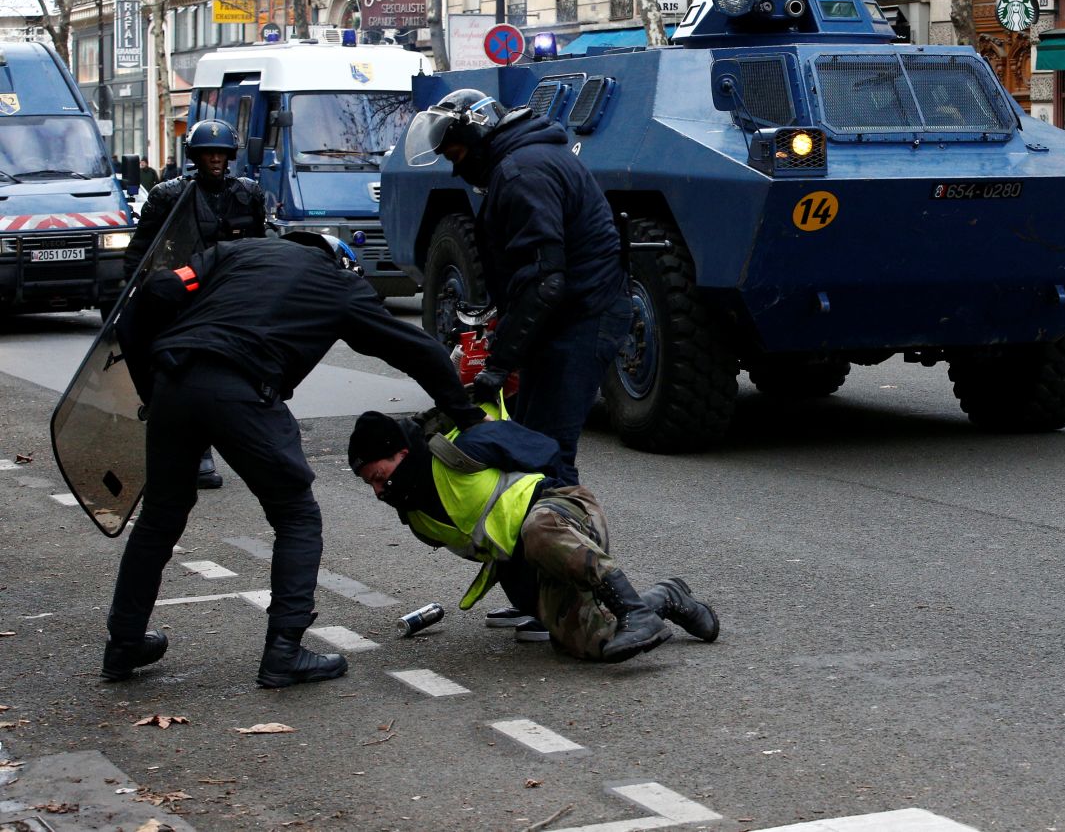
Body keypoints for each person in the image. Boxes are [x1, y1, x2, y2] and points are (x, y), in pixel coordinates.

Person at [101, 234, 487, 688]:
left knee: (160, 518)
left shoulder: (235, 253)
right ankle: (284, 651)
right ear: (338, 260)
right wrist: (466, 416)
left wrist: (156, 391)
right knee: (296, 515)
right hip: (242, 387)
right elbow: (417, 350)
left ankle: (123, 644)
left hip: (174, 381)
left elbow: (154, 294)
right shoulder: (336, 282)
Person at [347, 407, 718, 662]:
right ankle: (665, 598)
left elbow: (544, 449)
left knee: (537, 528)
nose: (380, 491)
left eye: (380, 477)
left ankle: (635, 610)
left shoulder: (456, 448)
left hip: (566, 514)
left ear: (401, 452)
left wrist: (562, 505)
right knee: (595, 643)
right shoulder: (414, 517)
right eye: (371, 486)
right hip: (529, 560)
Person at [404, 89, 631, 490]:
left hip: (581, 319)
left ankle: (571, 545)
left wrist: (499, 363)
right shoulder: (527, 159)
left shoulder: (521, 172)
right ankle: (531, 546)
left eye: (456, 156)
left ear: (477, 138)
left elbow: (545, 280)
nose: (457, 171)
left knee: (546, 453)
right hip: (571, 316)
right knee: (530, 442)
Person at [125, 119, 267, 490]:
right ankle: (192, 448)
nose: (215, 160)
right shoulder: (168, 195)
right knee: (182, 369)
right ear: (195, 157)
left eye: (221, 153)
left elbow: (260, 248)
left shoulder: (248, 194)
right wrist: (135, 295)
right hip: (183, 294)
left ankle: (254, 447)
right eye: (208, 153)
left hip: (230, 298)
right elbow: (141, 253)